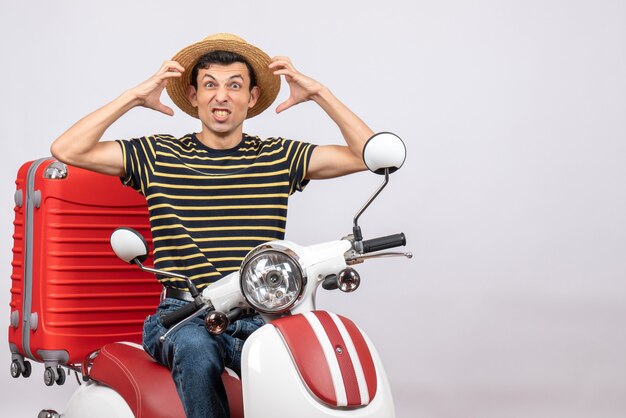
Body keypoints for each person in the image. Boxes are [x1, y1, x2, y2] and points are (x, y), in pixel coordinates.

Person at [50, 33, 374, 418]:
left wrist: (320, 93)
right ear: (193, 96)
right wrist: (134, 97)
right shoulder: (158, 155)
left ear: (251, 98)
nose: (222, 96)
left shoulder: (277, 157)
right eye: (210, 85)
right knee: (197, 351)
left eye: (234, 85)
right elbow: (67, 149)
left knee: (310, 358)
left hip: (262, 314)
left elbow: (367, 153)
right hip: (183, 315)